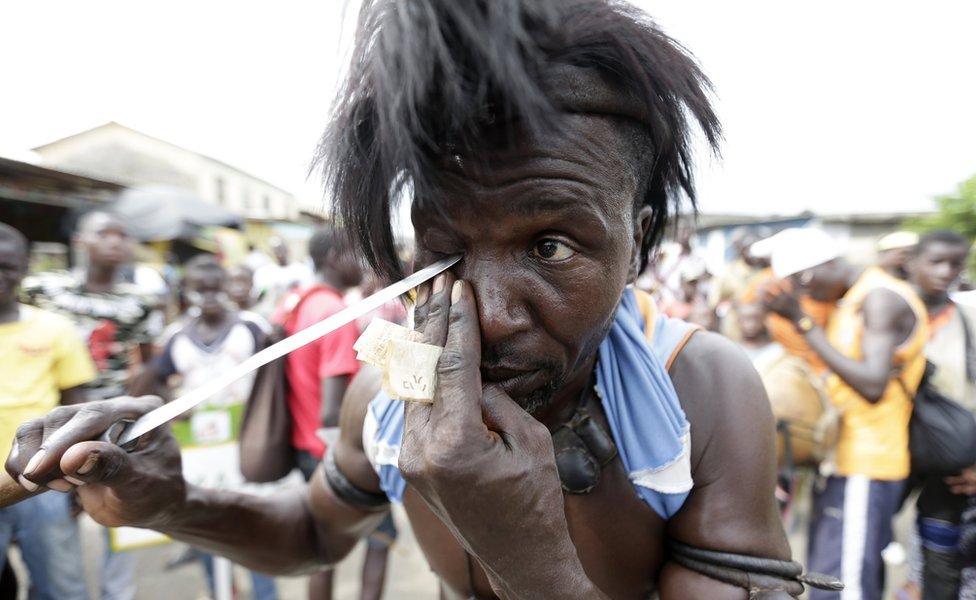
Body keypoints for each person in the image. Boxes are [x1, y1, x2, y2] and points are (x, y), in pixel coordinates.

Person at [8, 2, 842, 598]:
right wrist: (172, 502)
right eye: (443, 252)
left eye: (550, 246)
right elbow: (311, 530)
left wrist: (529, 560)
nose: (486, 314)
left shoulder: (700, 394)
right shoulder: (389, 389)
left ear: (641, 244)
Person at [763, 227, 928, 600]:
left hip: (866, 463)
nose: (806, 295)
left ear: (810, 273)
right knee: (831, 576)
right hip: (846, 461)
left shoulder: (879, 299)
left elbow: (872, 384)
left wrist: (801, 320)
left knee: (844, 586)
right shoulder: (852, 301)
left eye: (802, 286)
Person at [21, 211, 163, 600]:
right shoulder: (42, 290)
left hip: (112, 424)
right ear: (81, 241)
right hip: (52, 422)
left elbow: (150, 360)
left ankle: (118, 595)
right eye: (105, 234)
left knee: (118, 511)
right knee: (55, 514)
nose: (116, 242)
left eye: (123, 234)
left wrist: (134, 406)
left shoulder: (139, 301)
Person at [135, 254, 278, 600]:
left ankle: (265, 594)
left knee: (253, 521)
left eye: (216, 289)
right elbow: (151, 377)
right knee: (205, 520)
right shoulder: (176, 337)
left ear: (227, 288)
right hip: (197, 447)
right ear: (187, 292)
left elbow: (275, 377)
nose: (210, 297)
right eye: (201, 291)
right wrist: (171, 403)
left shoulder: (252, 327)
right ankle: (221, 592)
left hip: (246, 440)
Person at [271, 228, 375, 600]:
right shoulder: (334, 313)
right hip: (328, 452)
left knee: (322, 551)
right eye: (357, 253)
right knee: (381, 541)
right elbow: (332, 411)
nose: (364, 263)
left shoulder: (299, 301)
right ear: (333, 257)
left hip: (301, 443)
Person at [0, 223, 93, 600]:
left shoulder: (54, 328)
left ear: (24, 268)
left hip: (40, 485)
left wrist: (79, 482)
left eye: (7, 266)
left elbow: (79, 409)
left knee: (60, 589)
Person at [901, 230, 976, 599]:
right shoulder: (887, 311)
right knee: (859, 545)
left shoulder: (968, 320)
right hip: (885, 455)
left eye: (955, 263)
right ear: (911, 262)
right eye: (936, 261)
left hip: (951, 460)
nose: (946, 271)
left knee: (942, 556)